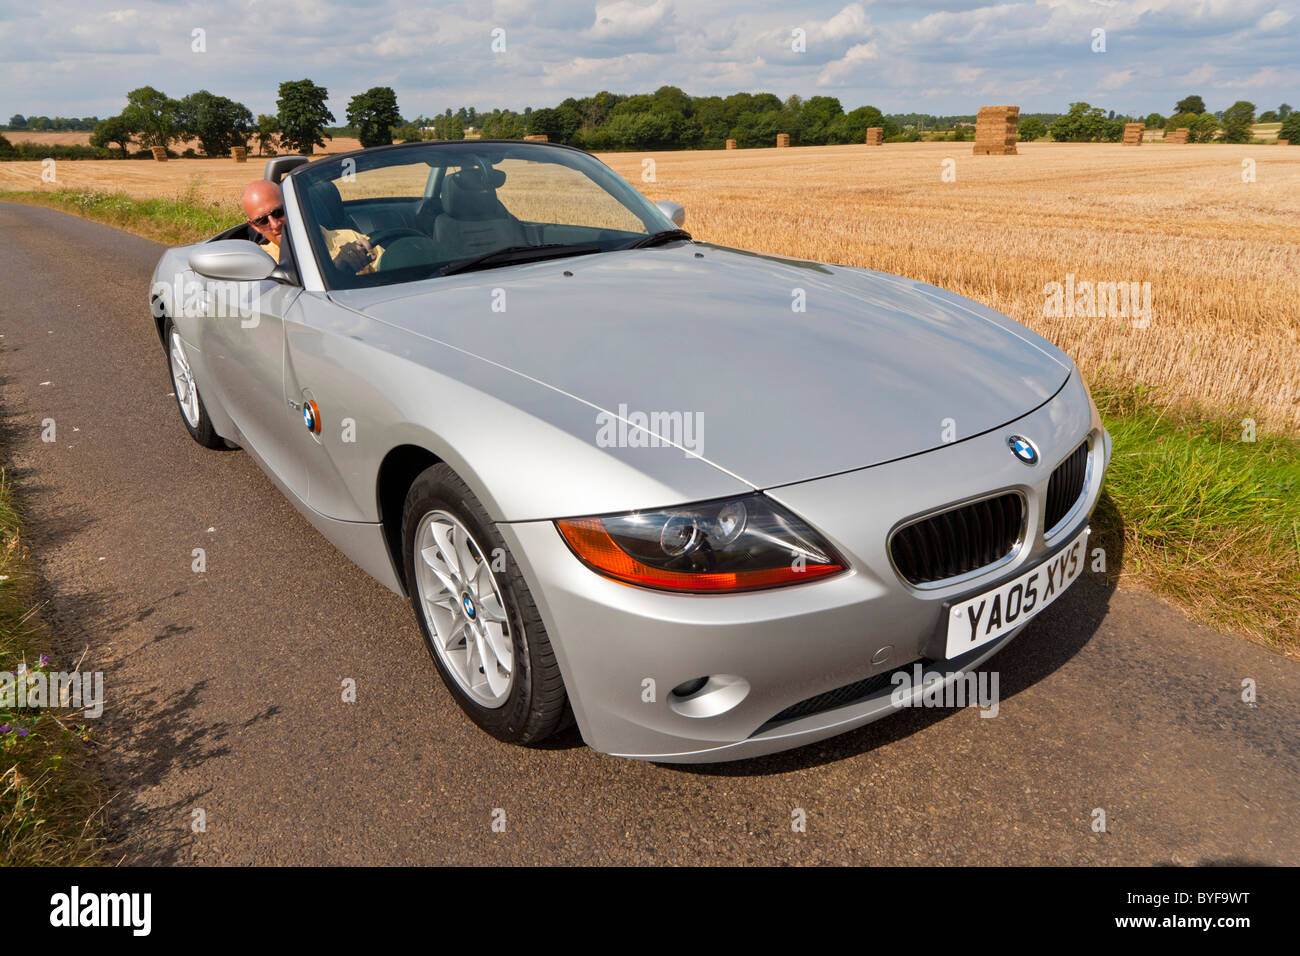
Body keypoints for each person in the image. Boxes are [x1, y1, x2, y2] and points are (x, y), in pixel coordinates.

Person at [240, 180, 383, 274]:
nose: (275, 224)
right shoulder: (262, 263)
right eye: (262, 220)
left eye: (278, 212)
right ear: (255, 226)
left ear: (292, 205)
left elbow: (390, 269)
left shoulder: (352, 238)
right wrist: (341, 268)